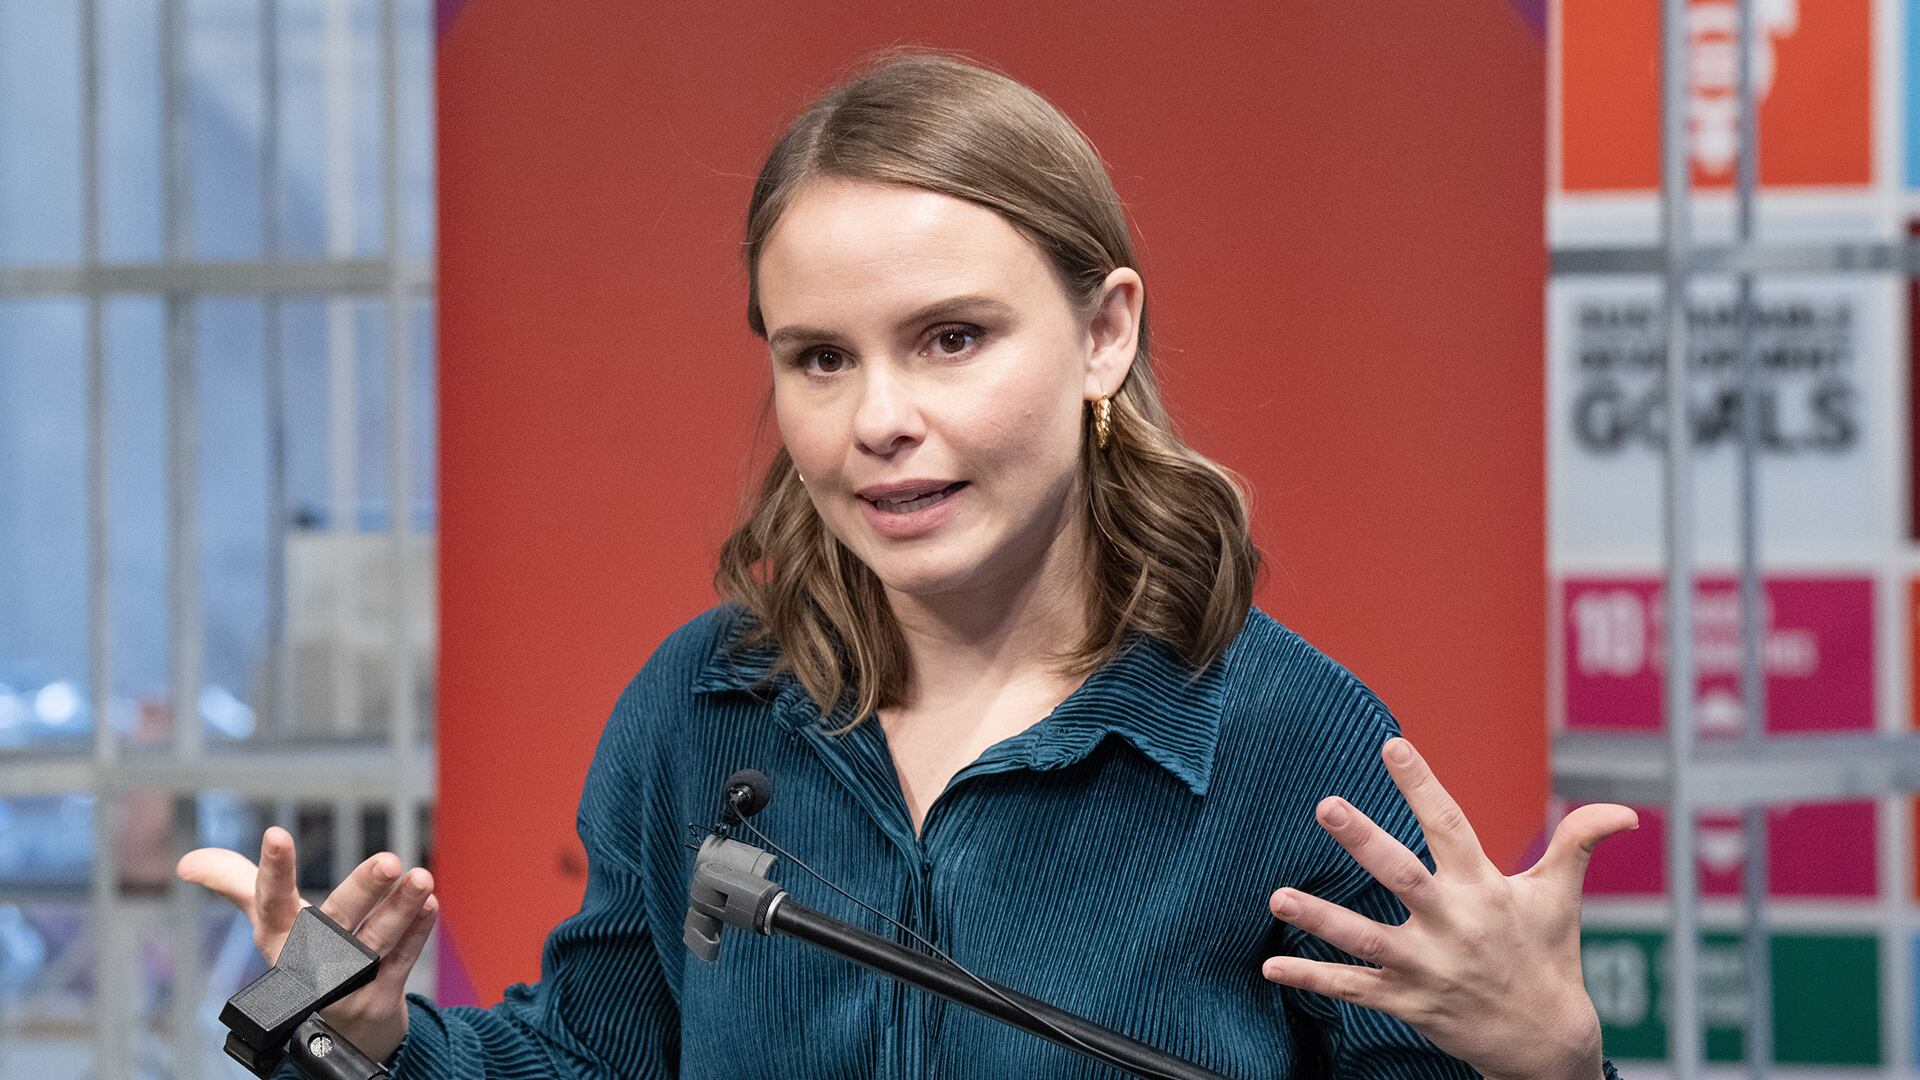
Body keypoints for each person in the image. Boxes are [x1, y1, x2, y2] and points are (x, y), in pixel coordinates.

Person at [180, 52, 1634, 1079]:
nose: (879, 419)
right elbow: (590, 1061)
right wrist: (360, 1031)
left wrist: (1554, 1065)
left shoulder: (1285, 746)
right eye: (820, 358)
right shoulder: (700, 712)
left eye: (951, 339)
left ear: (1104, 335)